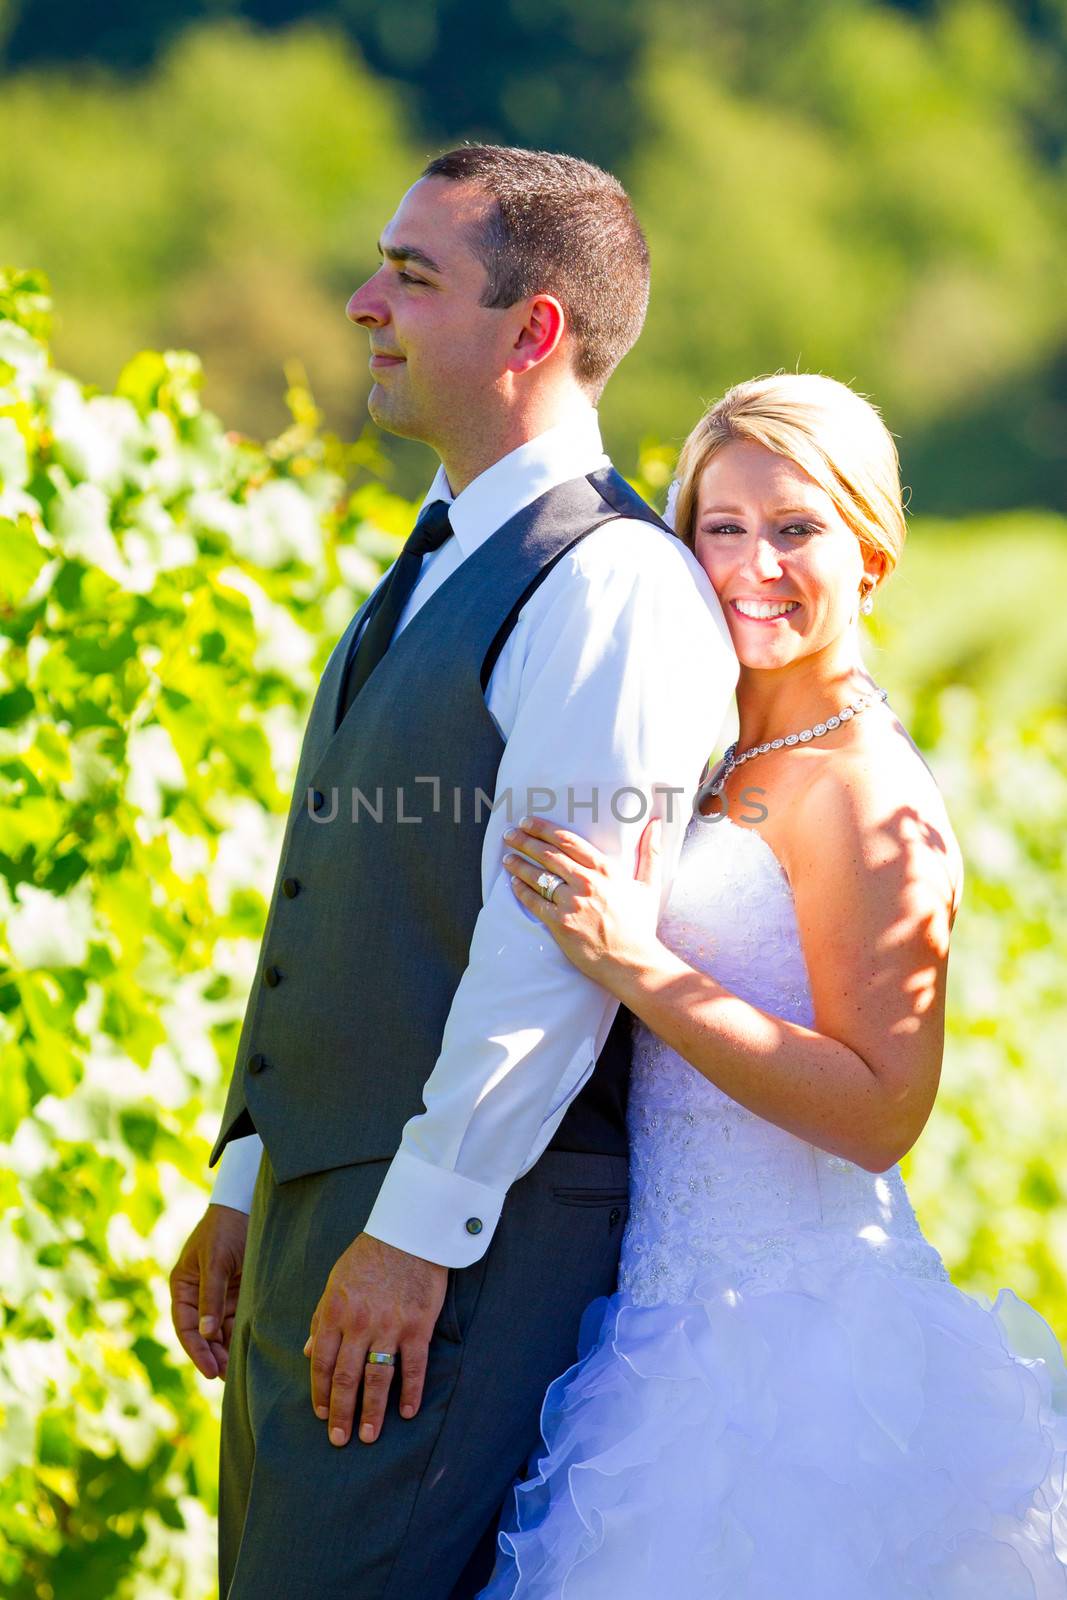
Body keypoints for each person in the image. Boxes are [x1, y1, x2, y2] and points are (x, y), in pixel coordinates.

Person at [166, 145, 738, 1599]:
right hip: (330, 1212)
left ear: (532, 330)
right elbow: (335, 895)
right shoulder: (431, 557)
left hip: (452, 1251)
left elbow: (545, 950)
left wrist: (414, 1237)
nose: (362, 303)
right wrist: (249, 1179)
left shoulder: (608, 588)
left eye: (409, 278)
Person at [476, 372, 1067, 1598]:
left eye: (795, 528)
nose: (752, 562)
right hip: (651, 1323)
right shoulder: (711, 749)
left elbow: (876, 1111)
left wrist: (636, 963)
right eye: (720, 525)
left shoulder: (865, 791)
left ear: (872, 557)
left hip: (799, 1356)